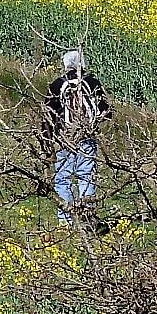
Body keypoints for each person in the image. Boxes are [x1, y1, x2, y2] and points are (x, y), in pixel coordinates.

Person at [42, 49, 110, 223]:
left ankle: (65, 220)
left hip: (65, 137)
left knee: (63, 176)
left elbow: (48, 115)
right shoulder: (92, 82)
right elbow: (106, 111)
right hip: (87, 135)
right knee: (86, 174)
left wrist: (47, 142)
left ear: (65, 65)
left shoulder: (57, 85)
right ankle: (87, 216)